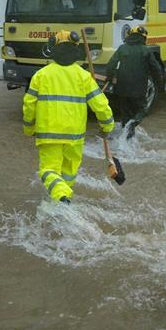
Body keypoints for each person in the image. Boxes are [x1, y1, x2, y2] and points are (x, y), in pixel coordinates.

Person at [22, 30, 115, 204]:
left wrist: (28, 128)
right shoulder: (83, 76)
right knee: (69, 172)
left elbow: (29, 105)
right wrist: (107, 126)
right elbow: (101, 105)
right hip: (75, 136)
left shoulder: (41, 75)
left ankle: (61, 197)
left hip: (48, 134)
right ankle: (63, 199)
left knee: (48, 171)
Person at [105, 25, 162, 139]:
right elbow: (156, 69)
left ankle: (125, 138)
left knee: (126, 113)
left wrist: (110, 78)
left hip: (121, 88)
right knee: (141, 109)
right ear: (143, 37)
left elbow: (111, 65)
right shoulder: (145, 50)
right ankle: (132, 127)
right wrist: (159, 82)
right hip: (138, 89)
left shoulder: (122, 48)